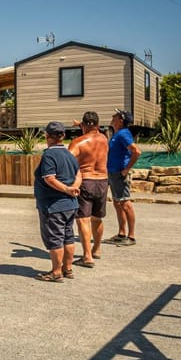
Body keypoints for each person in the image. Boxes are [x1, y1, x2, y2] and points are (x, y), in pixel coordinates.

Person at [33, 121, 81, 282]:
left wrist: (66, 189)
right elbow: (79, 174)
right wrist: (74, 187)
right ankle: (68, 268)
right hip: (70, 204)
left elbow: (49, 178)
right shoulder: (69, 154)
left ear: (47, 136)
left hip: (54, 205)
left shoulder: (49, 155)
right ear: (63, 136)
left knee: (55, 238)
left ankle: (56, 272)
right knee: (68, 236)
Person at [68, 111, 109, 267]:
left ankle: (87, 257)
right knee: (97, 218)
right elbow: (92, 130)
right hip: (102, 181)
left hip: (85, 181)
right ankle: (96, 249)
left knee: (83, 220)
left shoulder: (77, 143)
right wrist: (81, 125)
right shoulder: (104, 139)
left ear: (84, 125)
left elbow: (67, 160)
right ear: (98, 125)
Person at [106, 108, 141, 246]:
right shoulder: (117, 134)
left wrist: (126, 169)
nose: (112, 116)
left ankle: (131, 237)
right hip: (113, 173)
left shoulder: (123, 134)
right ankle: (121, 234)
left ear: (121, 120)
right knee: (117, 203)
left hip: (119, 173)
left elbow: (136, 151)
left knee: (125, 203)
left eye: (116, 115)